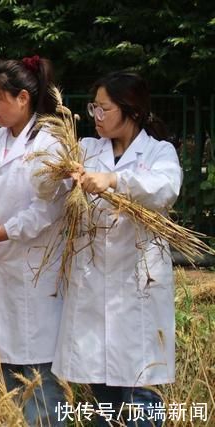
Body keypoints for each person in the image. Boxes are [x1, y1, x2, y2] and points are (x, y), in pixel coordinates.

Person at [50, 71, 181, 427]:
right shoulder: (88, 149)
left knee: (141, 389)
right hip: (93, 283)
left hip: (138, 282)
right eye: (94, 107)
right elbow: (54, 190)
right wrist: (66, 176)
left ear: (131, 111)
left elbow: (165, 189)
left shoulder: (158, 152)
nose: (96, 115)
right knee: (101, 388)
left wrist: (115, 181)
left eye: (104, 108)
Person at [0, 56, 66, 426]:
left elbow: (46, 210)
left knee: (39, 374)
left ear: (23, 98)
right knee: (2, 366)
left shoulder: (51, 142)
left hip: (35, 271)